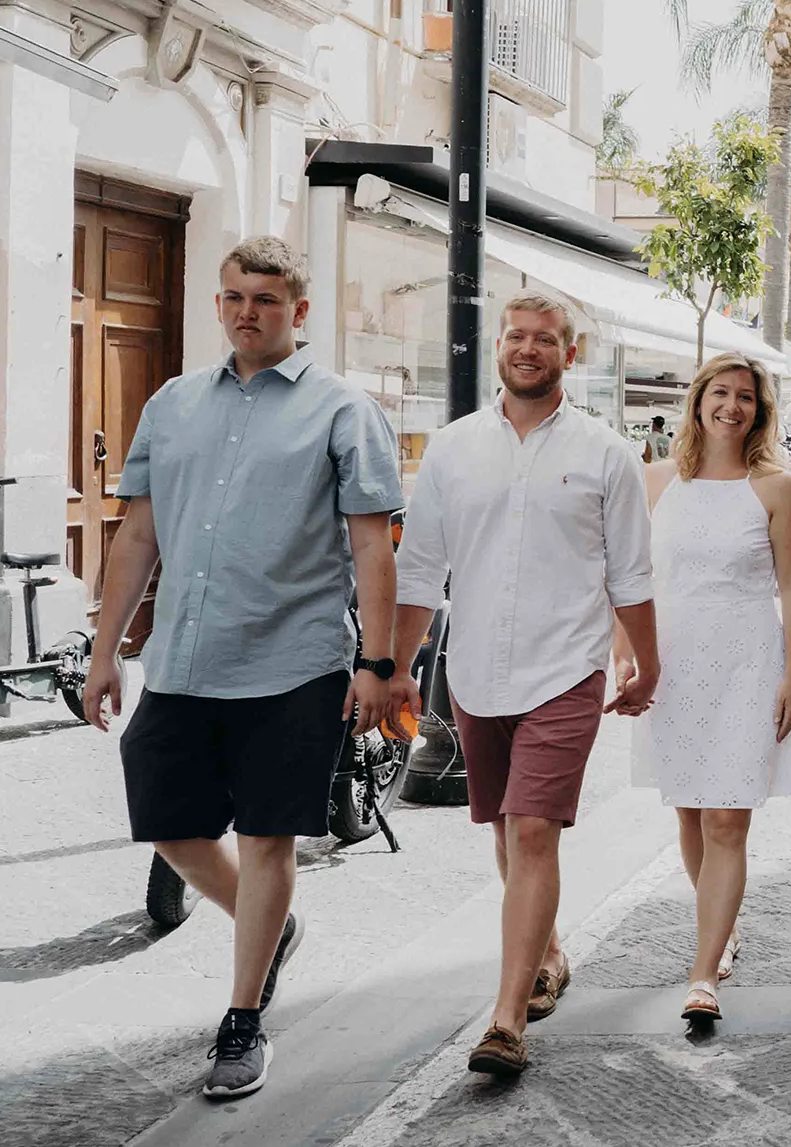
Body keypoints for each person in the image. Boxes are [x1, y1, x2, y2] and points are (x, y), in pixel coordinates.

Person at [81, 236, 403, 1101]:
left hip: (294, 662)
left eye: (266, 299)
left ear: (299, 312)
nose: (247, 312)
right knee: (168, 824)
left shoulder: (343, 409)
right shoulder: (173, 405)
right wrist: (106, 651)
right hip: (183, 658)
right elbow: (137, 535)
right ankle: (271, 928)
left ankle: (242, 1018)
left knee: (268, 836)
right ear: (218, 306)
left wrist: (379, 661)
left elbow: (373, 545)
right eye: (234, 297)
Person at [393, 293, 659, 1078]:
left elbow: (631, 573)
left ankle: (506, 1021)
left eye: (546, 339)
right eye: (517, 336)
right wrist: (400, 666)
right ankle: (544, 950)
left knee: (534, 828)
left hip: (566, 669)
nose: (529, 348)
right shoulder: (451, 449)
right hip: (475, 670)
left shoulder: (608, 454)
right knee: (507, 833)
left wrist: (647, 659)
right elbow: (420, 569)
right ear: (499, 346)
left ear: (569, 355)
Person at [634, 353, 791, 1026]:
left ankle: (703, 973)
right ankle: (722, 926)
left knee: (727, 816)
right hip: (674, 658)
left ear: (759, 411)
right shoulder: (656, 481)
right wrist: (631, 657)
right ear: (698, 400)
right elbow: (634, 578)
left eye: (746, 397)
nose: (731, 406)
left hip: (746, 658)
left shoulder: (775, 488)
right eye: (720, 393)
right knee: (688, 810)